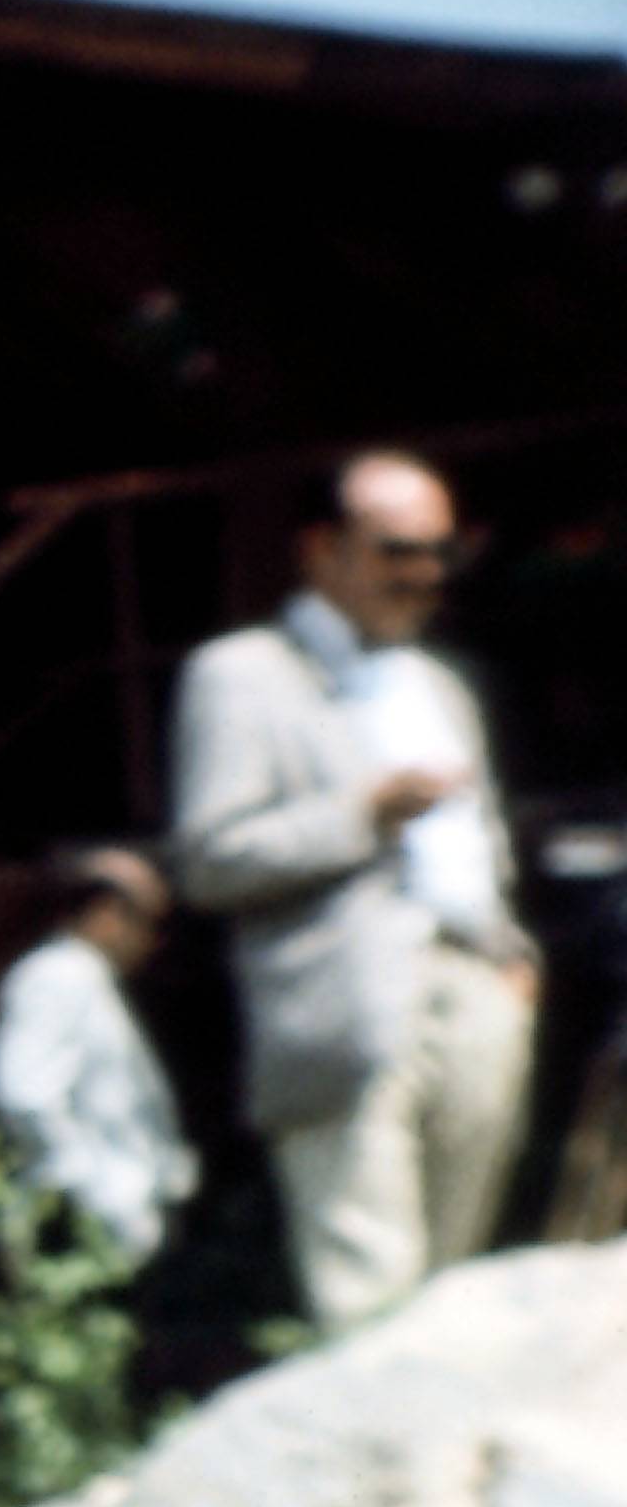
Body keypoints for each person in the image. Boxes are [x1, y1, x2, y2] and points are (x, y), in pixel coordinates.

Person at [170, 448, 538, 1332]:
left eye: (439, 553)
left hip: (476, 994)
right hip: (343, 1011)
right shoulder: (242, 673)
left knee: (456, 1292)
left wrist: (511, 957)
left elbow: (480, 836)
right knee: (369, 1296)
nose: (422, 575)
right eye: (396, 550)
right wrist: (362, 815)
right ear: (321, 550)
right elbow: (210, 858)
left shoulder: (440, 684)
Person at [0, 845, 195, 1266]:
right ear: (106, 914)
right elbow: (23, 1093)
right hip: (91, 1228)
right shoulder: (55, 976)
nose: (155, 943)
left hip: (123, 1222)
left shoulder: (87, 979)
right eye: (152, 924)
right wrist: (95, 1193)